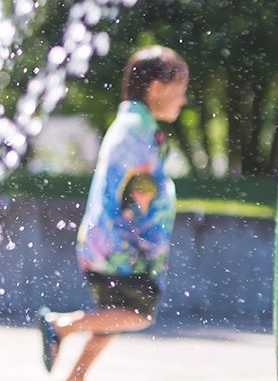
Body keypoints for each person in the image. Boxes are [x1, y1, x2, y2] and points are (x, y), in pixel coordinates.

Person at [39, 45, 189, 381]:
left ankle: (74, 377)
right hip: (119, 249)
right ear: (156, 89)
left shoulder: (131, 122)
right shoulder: (138, 130)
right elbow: (141, 193)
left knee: (111, 318)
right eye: (179, 91)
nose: (183, 100)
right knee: (137, 315)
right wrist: (148, 246)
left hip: (104, 244)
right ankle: (60, 325)